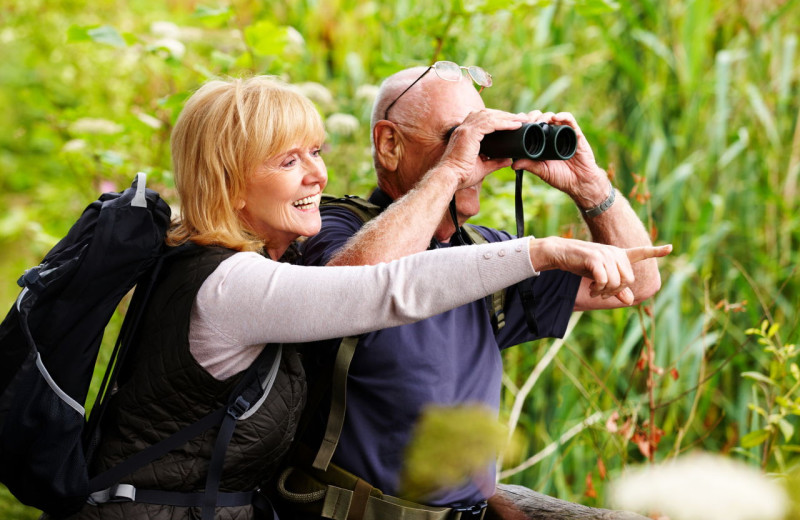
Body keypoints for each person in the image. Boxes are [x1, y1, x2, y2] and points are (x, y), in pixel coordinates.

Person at [65, 75, 603, 520]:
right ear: (229, 181)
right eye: (287, 161)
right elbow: (382, 290)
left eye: (316, 152)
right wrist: (538, 251)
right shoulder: (232, 286)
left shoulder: (233, 265)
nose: (318, 174)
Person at [292, 61, 672, 517]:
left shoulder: (487, 253)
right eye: (456, 135)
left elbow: (640, 280)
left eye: (482, 137)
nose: (477, 155)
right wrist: (452, 167)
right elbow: (352, 290)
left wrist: (589, 184)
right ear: (389, 144)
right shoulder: (332, 231)